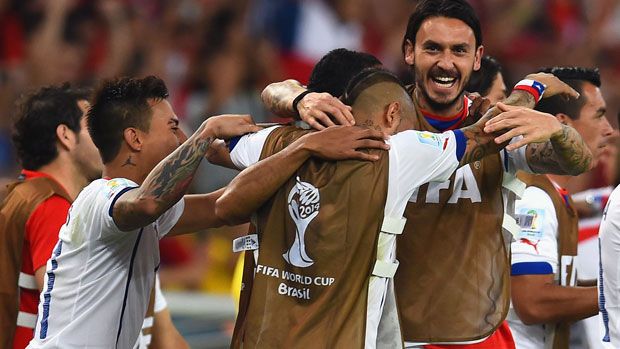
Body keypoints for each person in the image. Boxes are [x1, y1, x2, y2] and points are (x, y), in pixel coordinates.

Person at [259, 1, 593, 347]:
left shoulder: (500, 125)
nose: (445, 62)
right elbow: (273, 92)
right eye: (432, 48)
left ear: (476, 58)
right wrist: (302, 98)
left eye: (458, 51)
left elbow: (578, 162)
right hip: (388, 335)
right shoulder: (381, 116)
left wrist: (558, 130)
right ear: (409, 52)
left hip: (477, 337)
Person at [213, 67, 581, 348]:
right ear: (392, 113)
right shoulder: (398, 154)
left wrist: (295, 102)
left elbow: (217, 143)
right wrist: (533, 87)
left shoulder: (279, 143)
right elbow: (484, 134)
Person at [26, 76, 388, 348]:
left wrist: (298, 146)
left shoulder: (143, 209)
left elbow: (222, 208)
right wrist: (206, 132)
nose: (180, 137)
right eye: (172, 127)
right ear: (135, 139)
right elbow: (150, 201)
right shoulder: (98, 199)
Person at [508, 67, 612, 348]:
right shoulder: (533, 198)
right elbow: (533, 303)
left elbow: (557, 286)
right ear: (562, 124)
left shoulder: (553, 194)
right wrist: (612, 293)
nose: (609, 129)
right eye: (599, 115)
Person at [0, 84, 102, 349]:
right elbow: (64, 306)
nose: (106, 137)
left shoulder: (24, 193)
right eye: (94, 126)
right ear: (66, 135)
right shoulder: (51, 206)